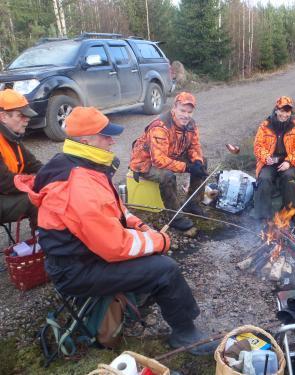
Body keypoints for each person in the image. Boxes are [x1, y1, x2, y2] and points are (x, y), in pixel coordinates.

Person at [14, 107, 216, 355]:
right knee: (166, 269)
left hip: (85, 254)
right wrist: (158, 241)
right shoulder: (78, 184)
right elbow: (114, 247)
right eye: (106, 135)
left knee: (153, 255)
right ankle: (185, 334)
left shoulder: (81, 164)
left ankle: (142, 297)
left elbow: (114, 208)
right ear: (86, 140)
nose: (112, 140)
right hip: (77, 270)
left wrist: (137, 225)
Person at [129, 92, 207, 231]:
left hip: (171, 154)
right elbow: (159, 160)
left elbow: (195, 146)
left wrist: (197, 161)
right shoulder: (160, 127)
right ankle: (174, 217)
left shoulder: (191, 124)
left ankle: (192, 203)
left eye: (189, 112)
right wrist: (187, 167)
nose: (186, 115)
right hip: (145, 162)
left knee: (202, 163)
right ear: (174, 108)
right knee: (167, 175)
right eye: (182, 110)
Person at [253, 96, 295, 220]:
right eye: (282, 110)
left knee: (289, 178)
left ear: (290, 112)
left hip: (288, 162)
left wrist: (289, 161)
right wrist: (266, 157)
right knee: (264, 179)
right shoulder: (265, 126)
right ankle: (263, 217)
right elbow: (257, 146)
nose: (284, 114)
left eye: (287, 111)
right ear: (276, 110)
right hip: (269, 162)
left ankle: (289, 215)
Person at [0, 89, 42, 231]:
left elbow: (34, 164)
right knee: (37, 198)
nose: (27, 119)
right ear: (3, 117)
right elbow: (4, 182)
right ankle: (45, 244)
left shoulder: (12, 138)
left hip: (4, 195)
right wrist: (35, 182)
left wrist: (53, 175)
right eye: (21, 115)